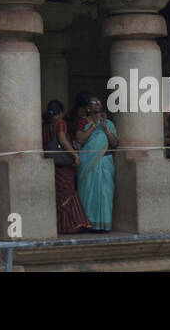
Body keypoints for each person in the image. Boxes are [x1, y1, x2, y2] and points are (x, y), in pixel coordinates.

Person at [72, 91, 118, 231]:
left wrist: (104, 128)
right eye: (94, 103)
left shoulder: (108, 123)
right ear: (88, 108)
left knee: (105, 192)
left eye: (99, 102)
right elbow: (80, 139)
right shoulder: (83, 122)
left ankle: (104, 224)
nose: (97, 104)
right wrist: (94, 125)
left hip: (105, 162)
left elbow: (115, 143)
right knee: (89, 192)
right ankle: (89, 223)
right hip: (88, 163)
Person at [43, 100, 89, 234]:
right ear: (61, 113)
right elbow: (62, 140)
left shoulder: (46, 125)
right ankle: (71, 225)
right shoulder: (60, 123)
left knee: (60, 195)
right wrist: (75, 155)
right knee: (68, 193)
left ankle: (61, 225)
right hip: (63, 164)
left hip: (52, 163)